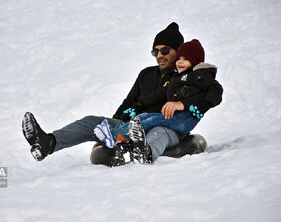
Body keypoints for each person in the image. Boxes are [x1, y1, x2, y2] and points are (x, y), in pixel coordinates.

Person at [22, 22, 185, 163]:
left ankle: (144, 152)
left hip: (166, 127)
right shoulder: (146, 74)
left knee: (159, 133)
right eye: (155, 52)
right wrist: (111, 133)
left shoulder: (185, 77)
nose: (159, 56)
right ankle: (48, 143)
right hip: (133, 127)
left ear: (178, 51)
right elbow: (128, 105)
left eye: (164, 50)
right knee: (90, 122)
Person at [95, 39, 223, 154]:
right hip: (173, 116)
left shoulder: (199, 75)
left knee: (152, 121)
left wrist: (203, 105)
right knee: (142, 117)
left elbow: (216, 90)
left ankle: (117, 138)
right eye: (178, 59)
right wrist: (139, 104)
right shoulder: (177, 78)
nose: (179, 62)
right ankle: (115, 135)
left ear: (194, 62)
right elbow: (159, 94)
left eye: (185, 59)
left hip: (184, 119)